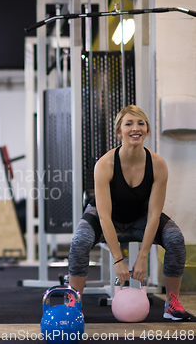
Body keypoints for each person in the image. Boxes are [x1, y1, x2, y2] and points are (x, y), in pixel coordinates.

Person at [68, 105, 191, 321]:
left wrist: (143, 257)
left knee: (175, 238)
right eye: (129, 124)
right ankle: (74, 303)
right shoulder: (105, 164)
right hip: (107, 217)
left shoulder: (158, 165)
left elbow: (154, 214)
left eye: (141, 123)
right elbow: (105, 216)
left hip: (141, 217)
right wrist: (118, 260)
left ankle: (172, 302)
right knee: (79, 241)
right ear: (119, 131)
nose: (136, 128)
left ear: (147, 129)